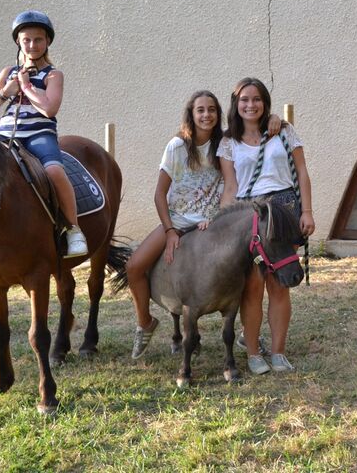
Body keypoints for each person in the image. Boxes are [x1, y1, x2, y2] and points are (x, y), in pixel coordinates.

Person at [219, 78, 314, 375]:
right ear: (236, 104)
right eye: (245, 100)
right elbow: (230, 186)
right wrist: (221, 223)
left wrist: (307, 211)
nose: (251, 105)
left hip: (284, 209)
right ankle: (252, 352)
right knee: (252, 288)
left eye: (257, 99)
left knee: (280, 284)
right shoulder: (228, 142)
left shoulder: (283, 131)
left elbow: (302, 171)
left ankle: (278, 352)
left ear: (265, 102)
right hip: (250, 214)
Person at [0, 10, 87, 258]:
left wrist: (26, 87)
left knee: (54, 171)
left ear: (47, 41)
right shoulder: (7, 73)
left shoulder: (53, 75)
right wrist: (6, 92)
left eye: (38, 39)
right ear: (18, 41)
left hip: (39, 134)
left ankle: (73, 230)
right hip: (4, 134)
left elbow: (49, 109)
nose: (32, 45)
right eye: (27, 40)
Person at [123, 91, 225, 359]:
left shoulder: (224, 145)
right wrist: (169, 230)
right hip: (178, 221)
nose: (206, 115)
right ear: (191, 114)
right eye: (200, 110)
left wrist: (278, 121)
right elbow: (159, 194)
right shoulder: (177, 146)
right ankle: (145, 323)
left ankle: (248, 333)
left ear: (218, 114)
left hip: (210, 224)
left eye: (212, 109)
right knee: (134, 267)